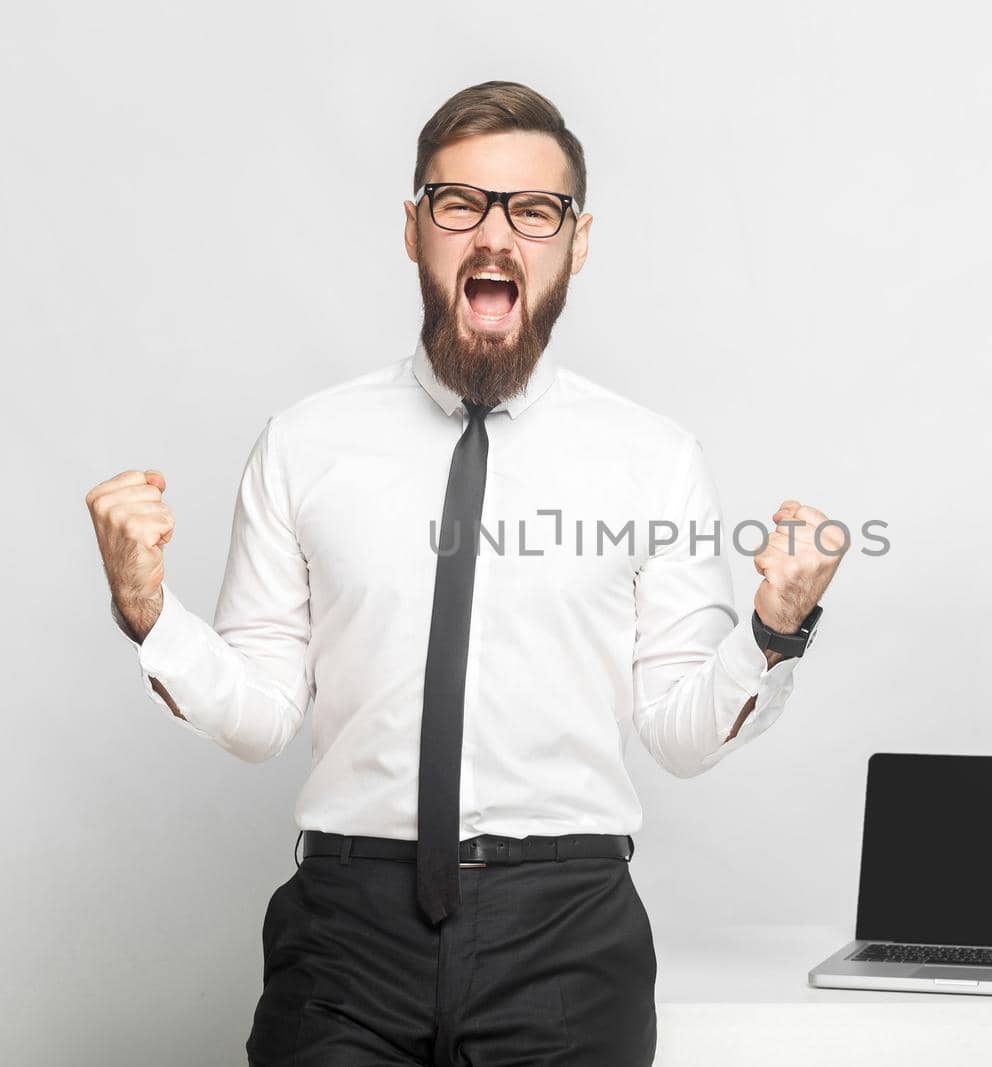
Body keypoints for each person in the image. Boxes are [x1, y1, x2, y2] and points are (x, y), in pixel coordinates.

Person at [84, 80, 845, 1066]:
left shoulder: (650, 459)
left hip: (566, 939)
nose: (495, 235)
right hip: (347, 936)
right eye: (460, 203)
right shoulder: (305, 445)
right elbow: (263, 714)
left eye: (533, 210)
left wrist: (773, 630)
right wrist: (149, 612)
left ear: (574, 242)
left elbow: (680, 733)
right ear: (414, 229)